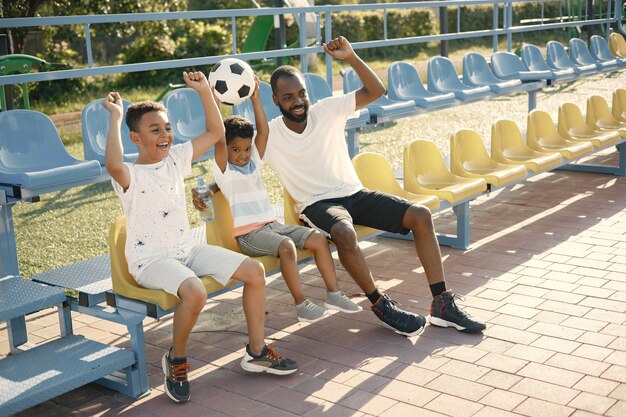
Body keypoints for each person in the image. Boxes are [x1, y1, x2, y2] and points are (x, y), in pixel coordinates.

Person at [195, 37, 486, 336]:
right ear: (276, 101)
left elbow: (376, 90)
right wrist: (211, 190)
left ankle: (441, 303)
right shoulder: (272, 134)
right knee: (344, 233)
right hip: (317, 205)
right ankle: (380, 304)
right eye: (288, 97)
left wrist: (351, 57)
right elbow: (239, 169)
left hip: (355, 194)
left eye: (301, 93)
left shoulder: (327, 110)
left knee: (420, 215)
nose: (297, 101)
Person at [103, 71, 298, 404]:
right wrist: (116, 118)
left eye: (167, 129)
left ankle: (256, 351)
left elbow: (215, 132)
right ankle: (176, 360)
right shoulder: (129, 174)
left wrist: (206, 91)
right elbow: (111, 162)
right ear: (135, 138)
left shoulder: (177, 159)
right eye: (154, 131)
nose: (164, 136)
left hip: (186, 249)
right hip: (151, 260)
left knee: (255, 271)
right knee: (194, 291)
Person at [211, 78, 362, 323]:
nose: (242, 155)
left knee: (318, 239)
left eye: (246, 149)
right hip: (249, 235)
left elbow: (264, 131)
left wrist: (256, 99)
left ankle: (333, 294)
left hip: (272, 226)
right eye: (235, 150)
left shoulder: (254, 162)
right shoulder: (224, 172)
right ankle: (301, 304)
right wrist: (214, 102)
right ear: (226, 150)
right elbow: (217, 137)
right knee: (286, 247)